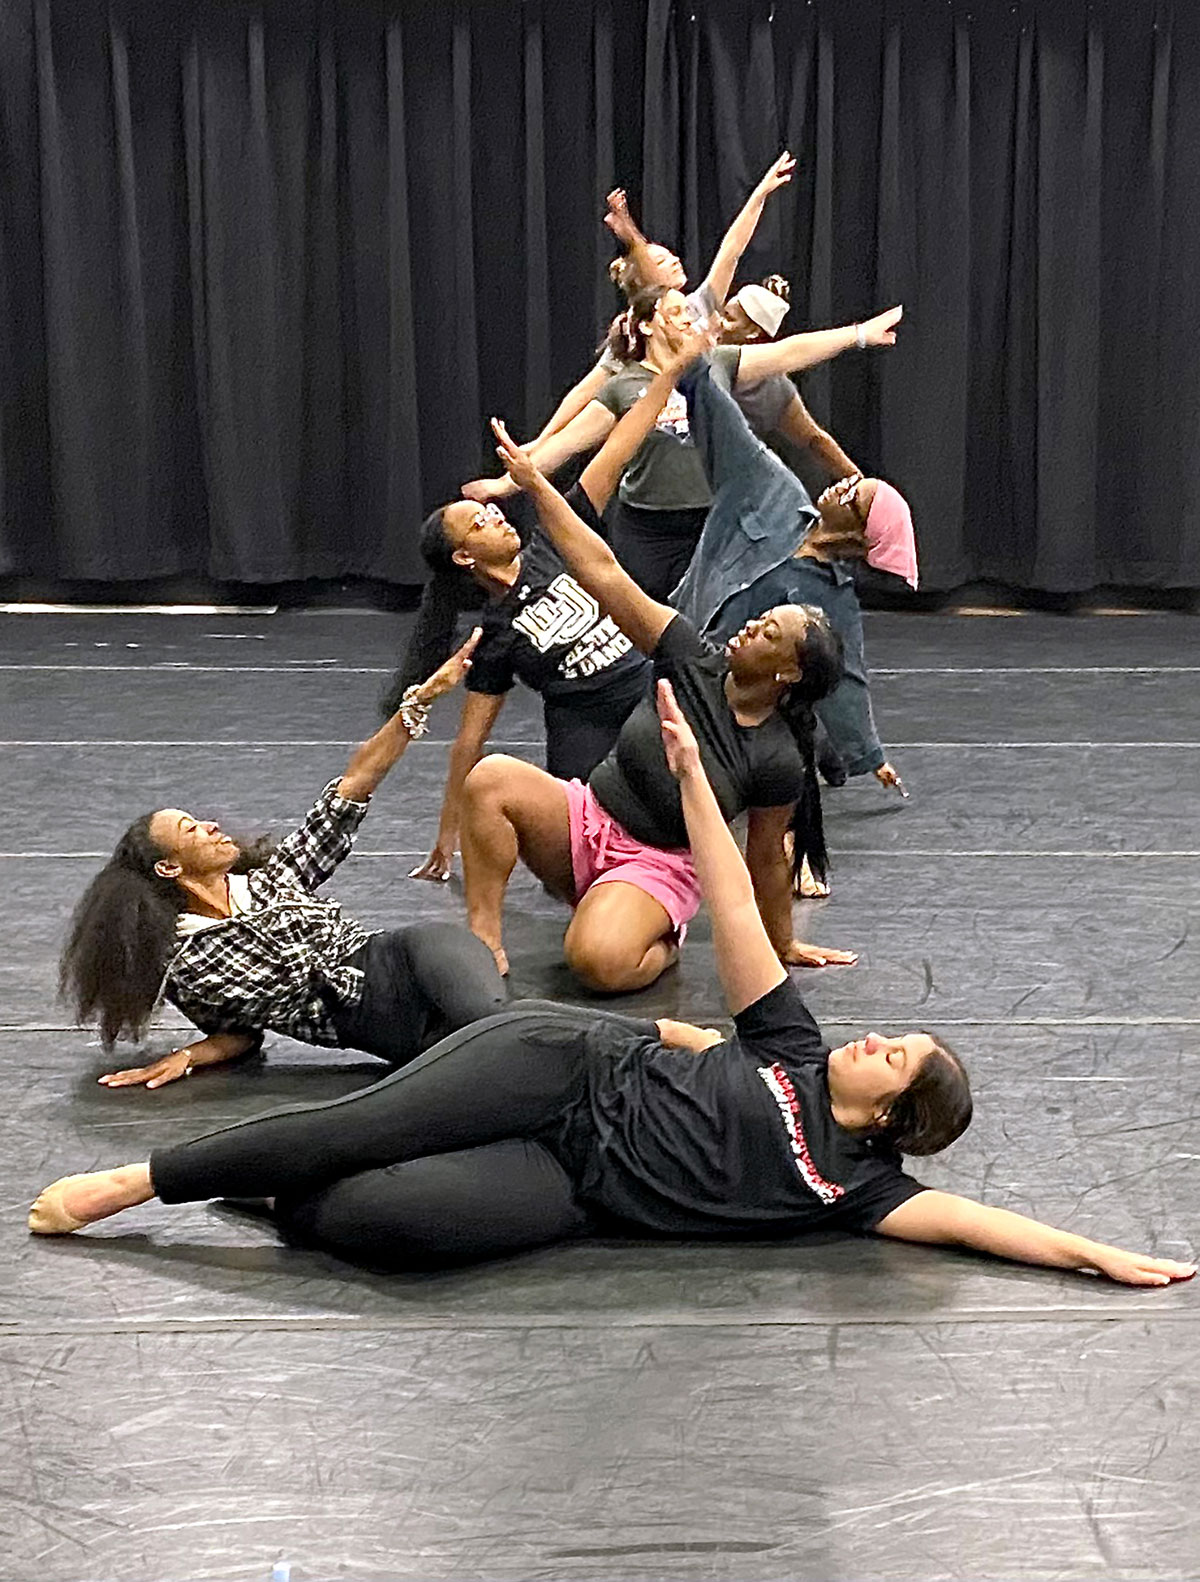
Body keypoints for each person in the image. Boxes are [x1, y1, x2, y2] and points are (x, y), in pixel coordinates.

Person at [29, 682, 1197, 1296]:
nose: (874, 1038)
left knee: (380, 1228)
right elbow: (735, 904)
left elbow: (981, 1226)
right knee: (362, 1120)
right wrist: (694, 781)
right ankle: (135, 1184)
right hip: (567, 1063)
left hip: (572, 1185)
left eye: (894, 1055)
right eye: (889, 1034)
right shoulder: (790, 1043)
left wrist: (1101, 1254)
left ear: (892, 1119)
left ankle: (276, 1191)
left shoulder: (858, 1186)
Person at [456, 415, 855, 990]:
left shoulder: (777, 757)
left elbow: (766, 859)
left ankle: (662, 939)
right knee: (491, 780)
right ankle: (484, 939)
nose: (749, 629)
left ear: (788, 672)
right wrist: (536, 485)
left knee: (595, 964)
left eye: (768, 635)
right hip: (589, 818)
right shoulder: (691, 653)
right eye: (761, 619)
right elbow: (603, 571)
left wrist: (782, 942)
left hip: (657, 865)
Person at [58, 634, 506, 1088]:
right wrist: (189, 1056)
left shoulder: (270, 878)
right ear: (169, 867)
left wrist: (423, 696)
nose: (210, 826)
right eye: (190, 829)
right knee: (503, 1051)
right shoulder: (185, 961)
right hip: (384, 1028)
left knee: (494, 1027)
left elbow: (355, 783)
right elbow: (241, 1033)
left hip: (411, 957)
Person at [408, 331, 713, 885]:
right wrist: (447, 832)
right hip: (582, 721)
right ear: (463, 556)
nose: (495, 517)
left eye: (490, 512)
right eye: (478, 522)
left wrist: (669, 373)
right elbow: (470, 742)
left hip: (641, 687)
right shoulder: (494, 634)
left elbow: (618, 447)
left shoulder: (556, 538)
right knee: (574, 850)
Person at [462, 285, 902, 599]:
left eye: (688, 312)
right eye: (675, 313)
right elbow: (567, 445)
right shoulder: (624, 386)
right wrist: (504, 484)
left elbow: (790, 351)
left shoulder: (717, 364)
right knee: (644, 620)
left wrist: (858, 335)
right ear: (649, 326)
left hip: (709, 524)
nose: (688, 319)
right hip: (646, 529)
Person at [671, 354, 914, 802]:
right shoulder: (775, 490)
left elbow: (846, 682)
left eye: (852, 497)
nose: (842, 484)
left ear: (859, 538)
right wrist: (697, 371)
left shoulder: (831, 600)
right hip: (672, 636)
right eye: (850, 482)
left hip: (721, 695)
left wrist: (871, 755)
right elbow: (732, 433)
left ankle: (825, 750)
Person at [521, 155, 797, 452]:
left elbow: (732, 249)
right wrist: (542, 441)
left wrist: (760, 194)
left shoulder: (698, 306)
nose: (676, 259)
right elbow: (582, 394)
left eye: (671, 254)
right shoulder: (632, 336)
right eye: (663, 260)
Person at [716, 273, 860, 481]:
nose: (717, 322)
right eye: (720, 313)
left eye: (728, 318)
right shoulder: (696, 359)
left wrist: (862, 486)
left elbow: (814, 440)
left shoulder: (774, 388)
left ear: (752, 332)